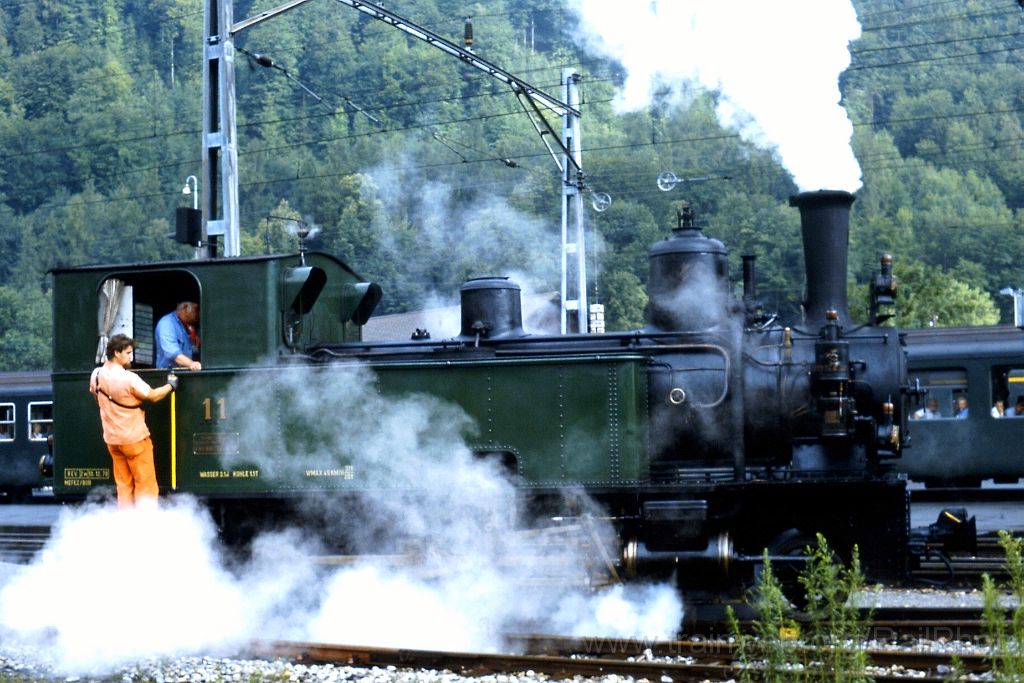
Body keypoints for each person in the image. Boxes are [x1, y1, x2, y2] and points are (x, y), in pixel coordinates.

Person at [90, 334, 177, 508]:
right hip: (134, 439)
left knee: (124, 486)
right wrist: (171, 385)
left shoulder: (96, 374)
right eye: (128, 353)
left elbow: (96, 396)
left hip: (113, 440)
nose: (131, 357)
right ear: (117, 353)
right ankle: (144, 520)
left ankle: (127, 520)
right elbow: (153, 396)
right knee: (145, 485)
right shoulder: (128, 378)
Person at [155, 301, 202, 371]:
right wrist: (192, 364)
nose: (199, 313)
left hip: (186, 373)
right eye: (196, 309)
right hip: (169, 373)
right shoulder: (167, 323)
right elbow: (172, 353)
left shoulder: (191, 326)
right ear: (185, 308)